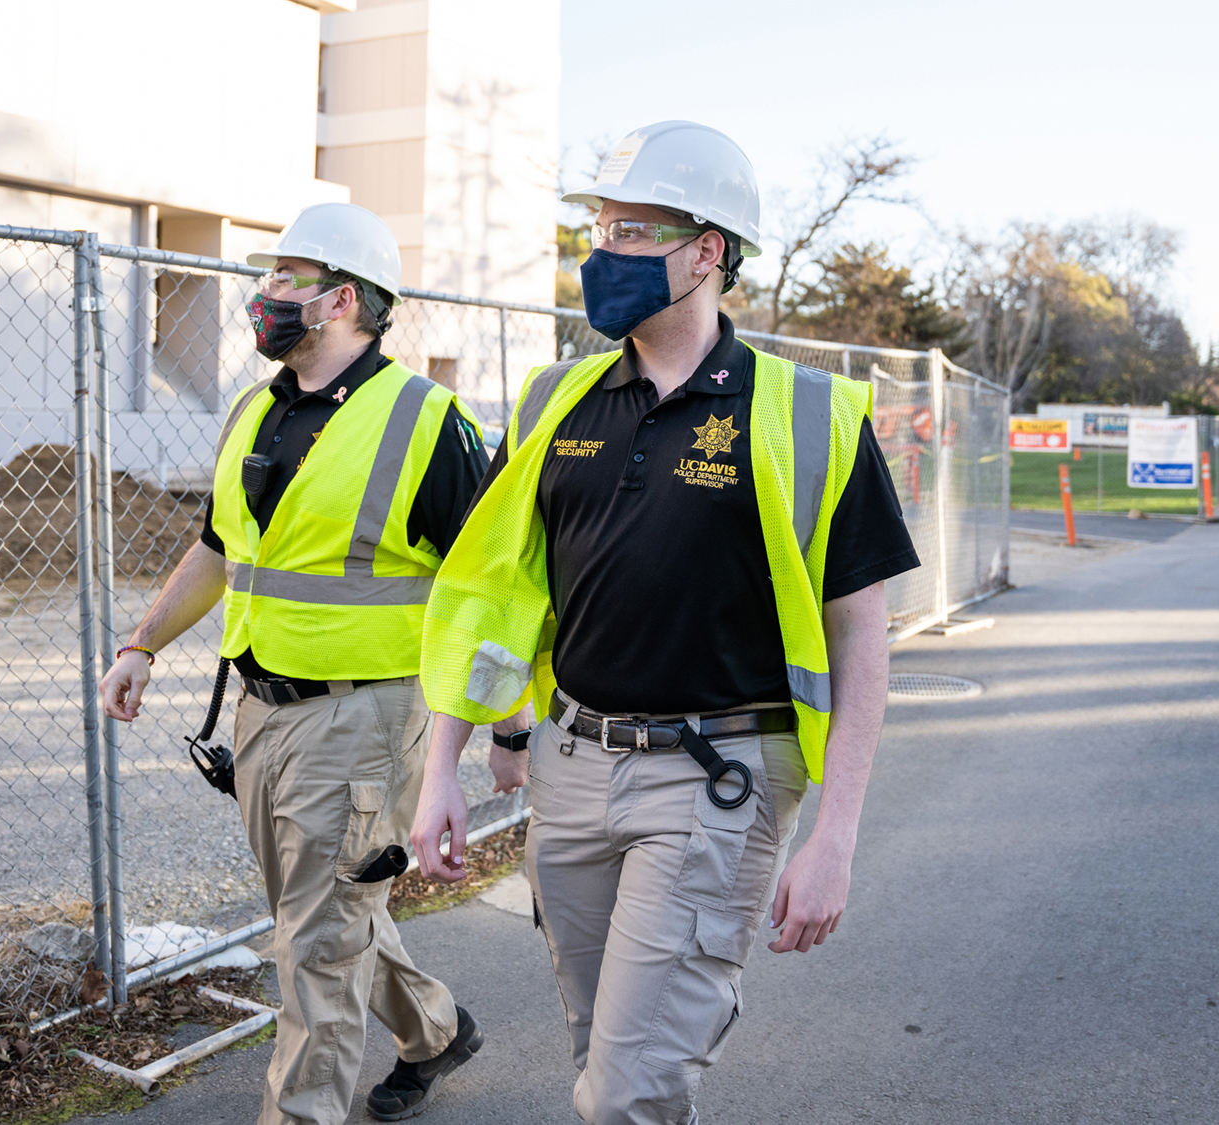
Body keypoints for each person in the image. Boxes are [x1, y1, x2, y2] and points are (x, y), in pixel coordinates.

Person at [409, 121, 921, 1125]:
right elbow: (498, 597)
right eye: (597, 228)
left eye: (634, 231)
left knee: (625, 1091)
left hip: (715, 783)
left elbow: (863, 635)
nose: (603, 253)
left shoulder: (810, 414)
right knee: (605, 1057)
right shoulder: (555, 399)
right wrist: (444, 767)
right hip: (570, 770)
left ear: (707, 250)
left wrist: (835, 836)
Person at [100, 201, 518, 1124]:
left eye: (286, 277)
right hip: (260, 712)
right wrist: (143, 643)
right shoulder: (257, 408)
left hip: (367, 721)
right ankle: (438, 1031)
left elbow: (488, 590)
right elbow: (219, 547)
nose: (265, 293)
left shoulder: (427, 421)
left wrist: (509, 725)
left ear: (340, 300)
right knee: (322, 914)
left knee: (318, 948)